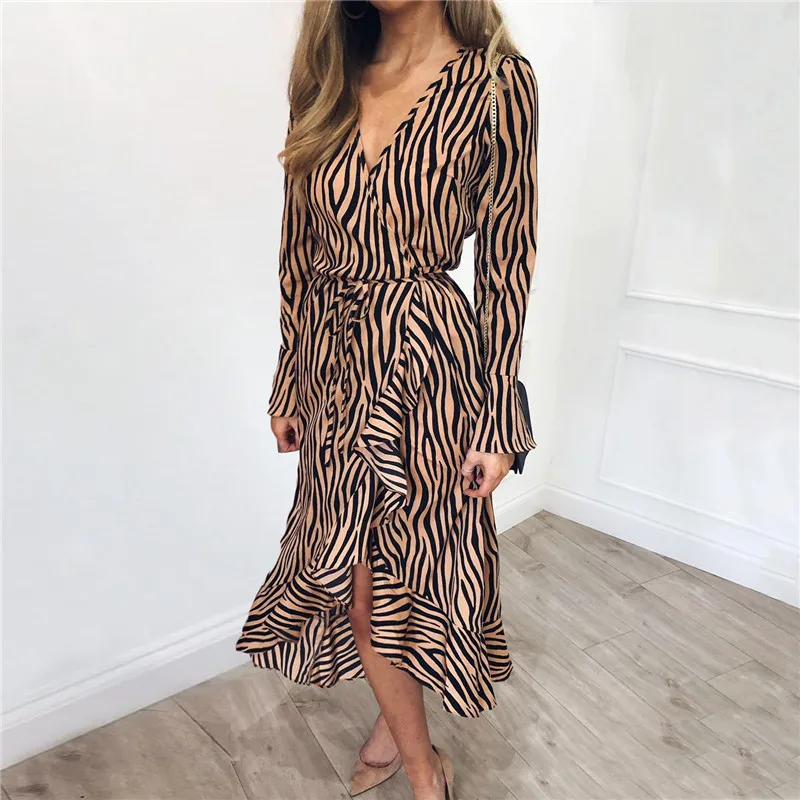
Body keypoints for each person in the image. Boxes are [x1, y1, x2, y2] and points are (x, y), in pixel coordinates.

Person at [236, 1, 538, 798]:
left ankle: (419, 767)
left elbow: (507, 264)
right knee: (361, 579)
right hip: (337, 367)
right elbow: (299, 250)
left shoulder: (497, 83)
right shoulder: (327, 80)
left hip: (430, 366)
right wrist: (289, 374)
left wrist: (497, 418)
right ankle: (419, 756)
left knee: (409, 573)